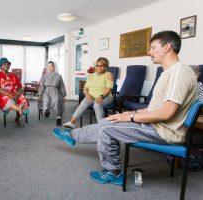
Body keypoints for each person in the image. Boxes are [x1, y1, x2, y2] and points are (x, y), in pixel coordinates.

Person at [52, 31, 197, 185]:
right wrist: (132, 112)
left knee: (106, 129)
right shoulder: (170, 73)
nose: (149, 52)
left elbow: (167, 112)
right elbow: (156, 107)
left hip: (163, 132)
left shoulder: (178, 73)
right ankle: (72, 136)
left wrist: (130, 117)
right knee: (108, 120)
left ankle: (113, 172)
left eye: (153, 47)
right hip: (156, 125)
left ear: (167, 47)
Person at [63, 57, 114, 129]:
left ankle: (102, 127)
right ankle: (72, 122)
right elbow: (86, 88)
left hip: (105, 97)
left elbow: (109, 88)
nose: (100, 67)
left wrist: (101, 96)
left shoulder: (108, 74)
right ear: (96, 66)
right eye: (98, 65)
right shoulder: (92, 75)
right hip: (92, 96)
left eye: (102, 65)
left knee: (97, 104)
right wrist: (86, 94)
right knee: (84, 102)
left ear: (106, 66)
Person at [0, 57, 29, 127]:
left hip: (15, 93)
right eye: (4, 64)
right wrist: (10, 95)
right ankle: (19, 108)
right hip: (2, 94)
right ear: (0, 66)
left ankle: (17, 119)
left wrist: (17, 94)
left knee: (23, 100)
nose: (6, 65)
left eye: (8, 64)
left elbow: (19, 86)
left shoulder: (13, 75)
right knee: (7, 100)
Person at [37, 61, 66, 126]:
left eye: (51, 67)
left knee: (57, 100)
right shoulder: (44, 76)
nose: (50, 68)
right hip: (46, 90)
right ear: (47, 68)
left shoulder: (59, 76)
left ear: (54, 67)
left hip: (55, 90)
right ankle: (46, 110)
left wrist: (64, 96)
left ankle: (58, 117)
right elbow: (41, 85)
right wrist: (40, 95)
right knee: (46, 99)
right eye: (48, 67)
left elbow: (62, 86)